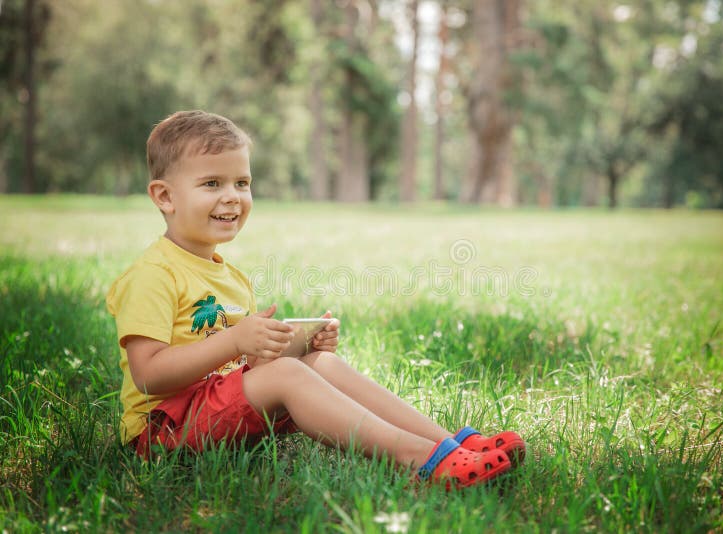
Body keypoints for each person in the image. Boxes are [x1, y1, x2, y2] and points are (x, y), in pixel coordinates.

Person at [106, 110, 525, 489]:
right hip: (162, 431)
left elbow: (239, 369)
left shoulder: (229, 276)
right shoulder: (153, 275)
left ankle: (450, 444)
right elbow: (148, 375)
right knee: (286, 375)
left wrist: (292, 344)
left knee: (316, 363)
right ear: (164, 196)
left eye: (242, 182)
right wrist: (237, 342)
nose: (233, 196)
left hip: (213, 410)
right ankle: (421, 462)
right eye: (212, 183)